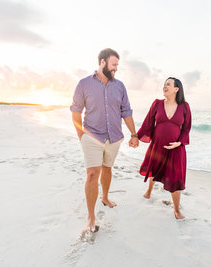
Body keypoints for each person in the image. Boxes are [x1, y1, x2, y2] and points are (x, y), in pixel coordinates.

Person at [70, 48, 139, 233]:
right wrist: (81, 135)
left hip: (114, 137)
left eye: (117, 65)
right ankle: (91, 217)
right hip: (92, 135)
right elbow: (76, 111)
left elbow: (126, 111)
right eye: (113, 64)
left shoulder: (120, 86)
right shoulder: (84, 84)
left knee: (107, 168)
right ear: (102, 62)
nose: (116, 68)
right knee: (92, 173)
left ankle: (105, 197)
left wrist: (134, 134)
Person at [137, 77, 191, 219]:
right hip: (158, 146)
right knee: (154, 170)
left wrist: (179, 142)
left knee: (176, 179)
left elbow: (186, 129)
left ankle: (176, 209)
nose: (164, 87)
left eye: (168, 84)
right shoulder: (157, 103)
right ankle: (149, 190)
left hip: (176, 149)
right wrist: (135, 137)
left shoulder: (184, 106)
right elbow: (147, 123)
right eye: (164, 84)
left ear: (176, 89)